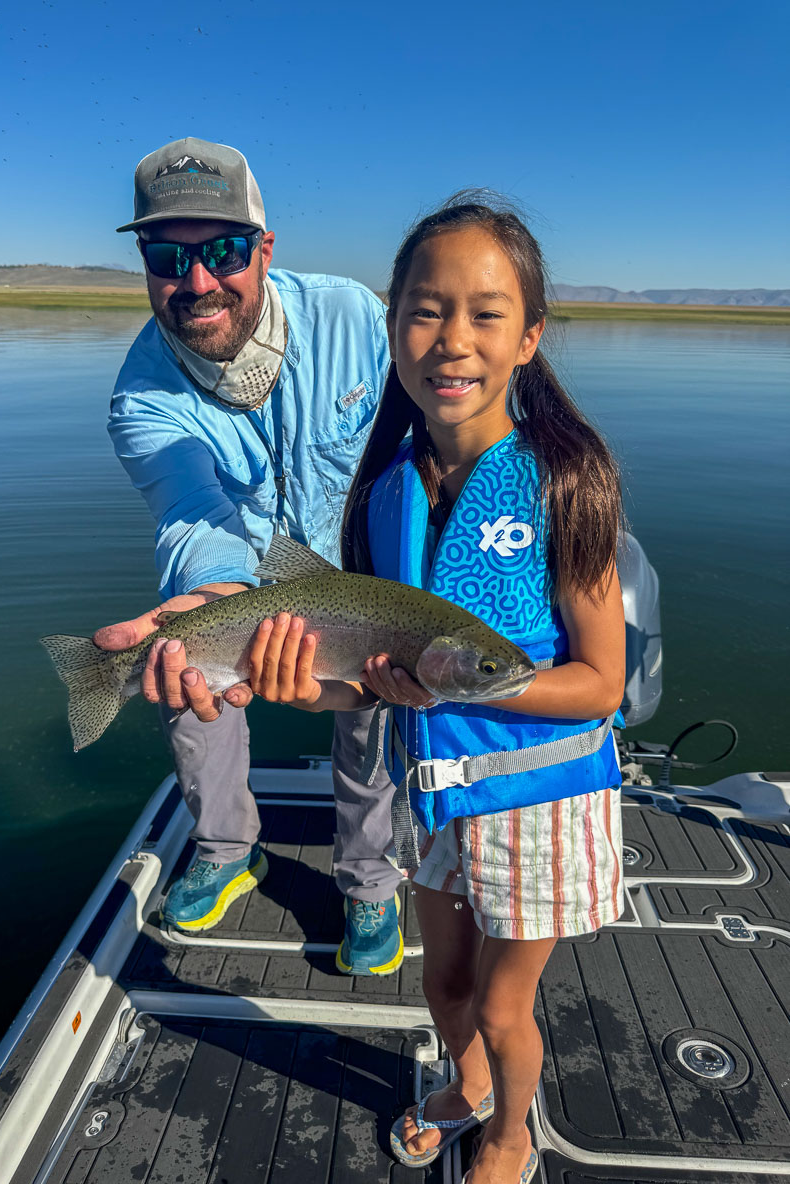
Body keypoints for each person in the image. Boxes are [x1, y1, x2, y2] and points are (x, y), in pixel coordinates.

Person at [241, 192, 625, 1184]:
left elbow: (600, 684)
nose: (451, 340)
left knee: (505, 1006)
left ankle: (509, 1135)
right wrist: (305, 687)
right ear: (393, 326)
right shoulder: (383, 490)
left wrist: (470, 684)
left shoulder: (565, 481)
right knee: (446, 984)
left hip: (542, 802)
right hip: (434, 798)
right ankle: (467, 1085)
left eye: (485, 313)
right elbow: (369, 686)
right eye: (424, 309)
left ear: (530, 336)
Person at [94, 136, 405, 976]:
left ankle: (371, 880)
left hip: (361, 566)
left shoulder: (354, 321)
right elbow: (194, 515)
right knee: (184, 656)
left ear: (264, 250)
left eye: (223, 252)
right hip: (244, 575)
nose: (198, 283)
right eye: (169, 255)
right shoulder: (139, 399)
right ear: (145, 262)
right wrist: (211, 600)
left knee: (373, 701)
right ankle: (228, 847)